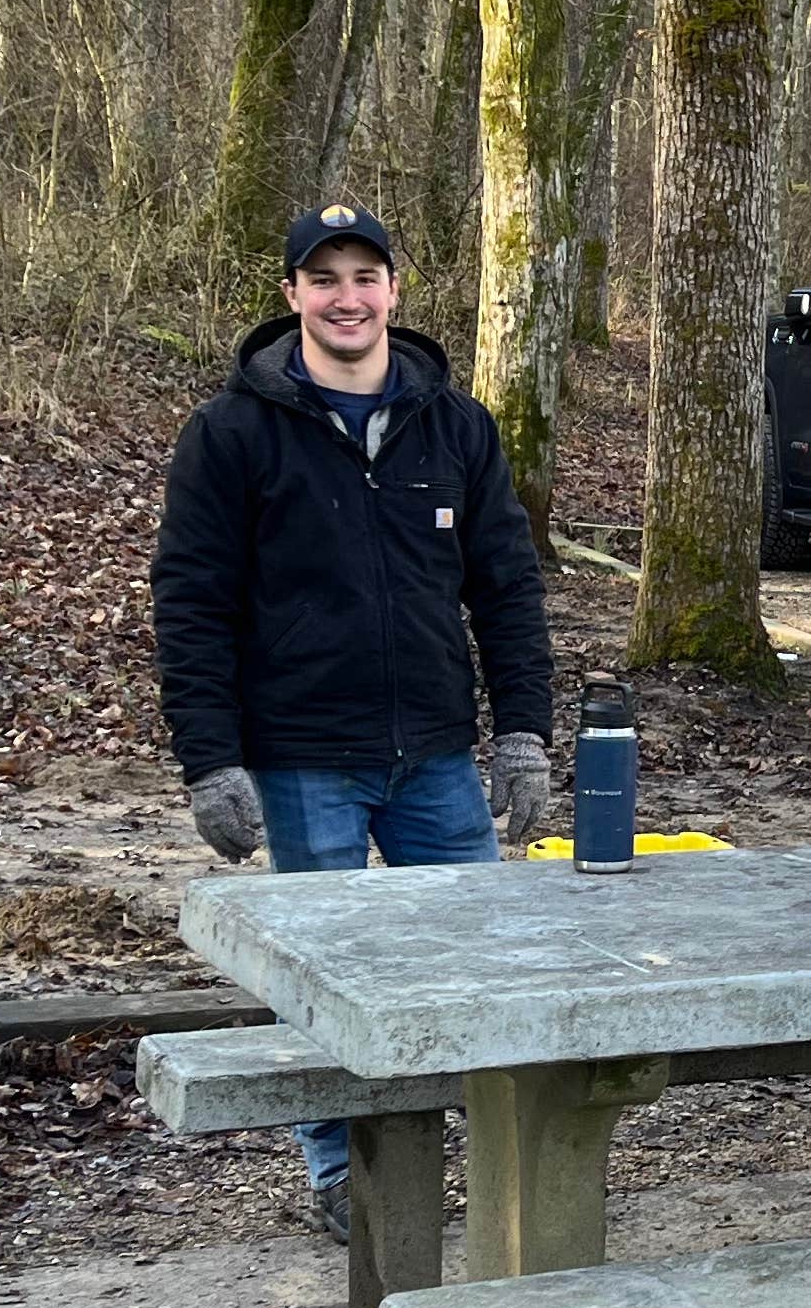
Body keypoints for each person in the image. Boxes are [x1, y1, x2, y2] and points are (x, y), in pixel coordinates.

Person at [152, 207, 554, 1240]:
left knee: (472, 959)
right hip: (299, 760)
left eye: (364, 275)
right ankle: (340, 1171)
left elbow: (506, 590)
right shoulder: (231, 435)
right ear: (290, 294)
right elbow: (192, 602)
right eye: (322, 277)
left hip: (433, 755)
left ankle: (471, 1145)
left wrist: (521, 733)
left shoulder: (457, 427)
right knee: (327, 981)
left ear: (394, 290)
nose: (346, 296)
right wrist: (211, 762)